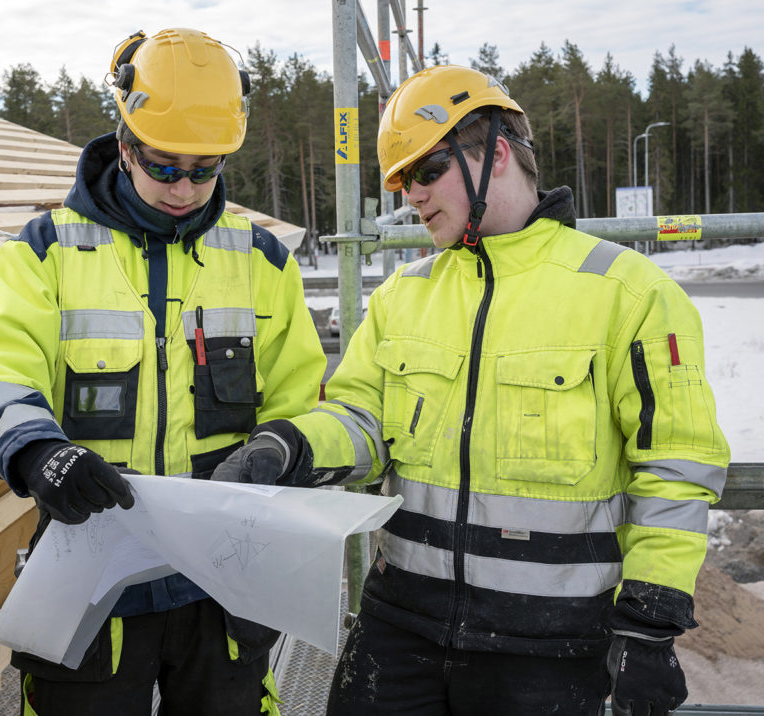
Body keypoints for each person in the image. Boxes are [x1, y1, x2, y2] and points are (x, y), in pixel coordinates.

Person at [211, 65, 730, 715]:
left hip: (550, 651)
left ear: (499, 154)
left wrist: (649, 628)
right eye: (402, 182)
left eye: (426, 171)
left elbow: (674, 470)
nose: (413, 197)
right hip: (400, 630)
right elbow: (362, 417)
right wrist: (289, 447)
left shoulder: (629, 294)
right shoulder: (406, 294)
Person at [0, 27, 325, 716]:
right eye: (164, 166)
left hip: (226, 588)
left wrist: (285, 451)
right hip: (93, 582)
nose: (185, 187)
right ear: (124, 145)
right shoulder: (47, 253)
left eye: (205, 169)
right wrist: (40, 451)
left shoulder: (262, 262)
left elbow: (302, 399)